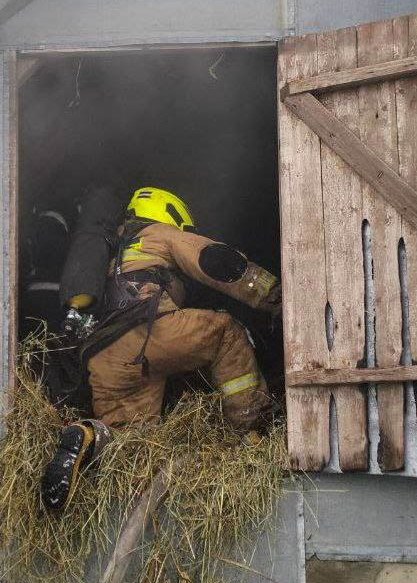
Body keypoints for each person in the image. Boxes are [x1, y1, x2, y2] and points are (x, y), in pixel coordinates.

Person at [41, 187, 281, 511]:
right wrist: (276, 297)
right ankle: (249, 435)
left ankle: (86, 435)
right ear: (169, 213)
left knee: (131, 442)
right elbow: (217, 262)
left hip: (104, 357)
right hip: (150, 330)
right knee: (225, 334)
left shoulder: (106, 255)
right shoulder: (158, 233)